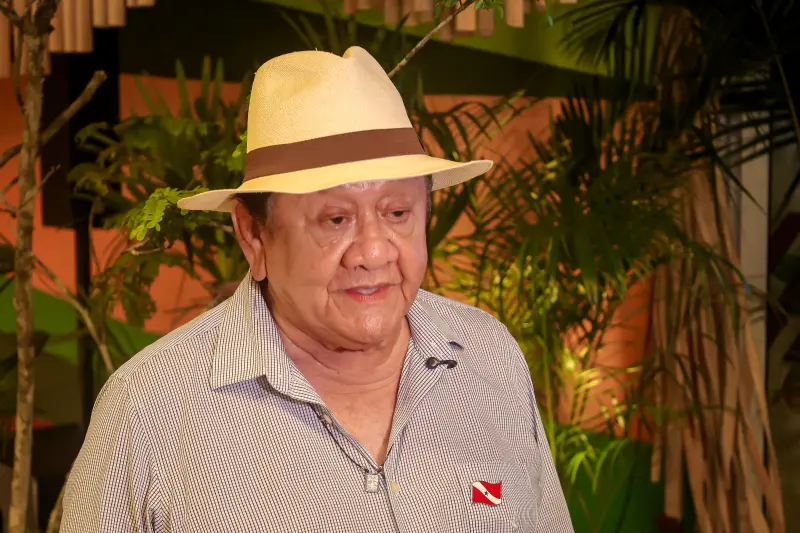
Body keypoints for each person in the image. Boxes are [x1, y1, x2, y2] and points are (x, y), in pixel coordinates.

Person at [61, 46, 573, 533]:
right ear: (254, 234)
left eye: (398, 213)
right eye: (335, 219)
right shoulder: (149, 410)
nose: (374, 252)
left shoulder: (488, 356)